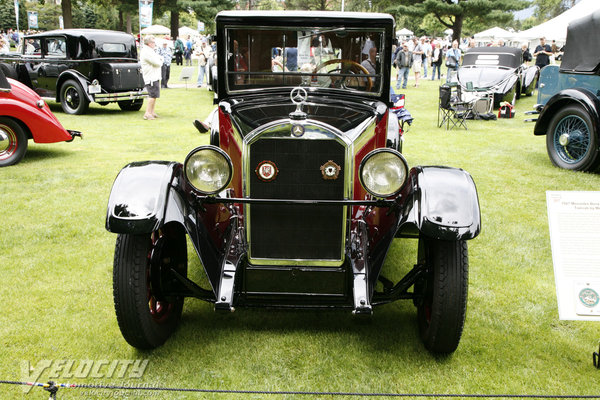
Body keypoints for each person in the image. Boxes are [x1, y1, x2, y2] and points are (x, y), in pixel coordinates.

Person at [140, 35, 163, 120]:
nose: (154, 44)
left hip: (154, 76)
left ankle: (152, 112)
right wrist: (160, 60)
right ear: (149, 43)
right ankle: (147, 113)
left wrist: (160, 59)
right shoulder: (146, 51)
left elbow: (158, 58)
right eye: (153, 42)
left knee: (155, 95)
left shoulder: (150, 51)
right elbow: (157, 62)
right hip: (150, 77)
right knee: (152, 95)